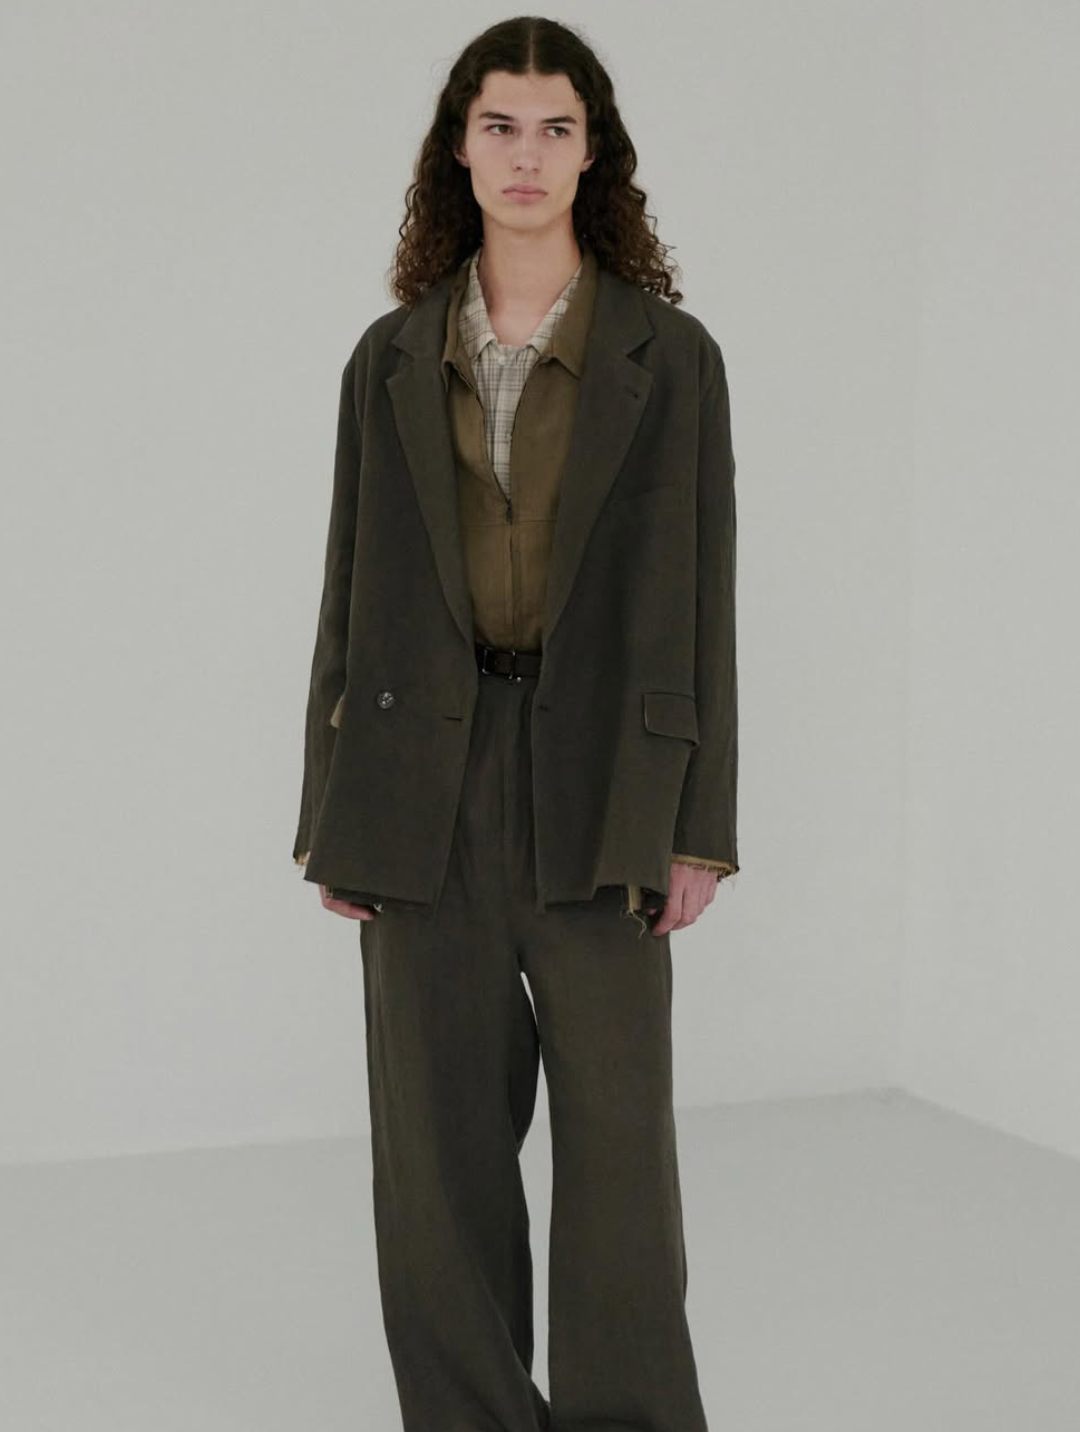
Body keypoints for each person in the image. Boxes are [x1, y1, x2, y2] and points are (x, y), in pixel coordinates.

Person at [292, 16, 739, 1431]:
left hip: (605, 778)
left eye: (555, 128)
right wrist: (332, 813)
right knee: (436, 1155)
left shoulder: (671, 356)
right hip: (418, 779)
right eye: (500, 126)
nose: (527, 155)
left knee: (618, 1150)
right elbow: (350, 591)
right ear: (459, 148)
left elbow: (706, 597)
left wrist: (699, 827)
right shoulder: (388, 356)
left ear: (594, 152)